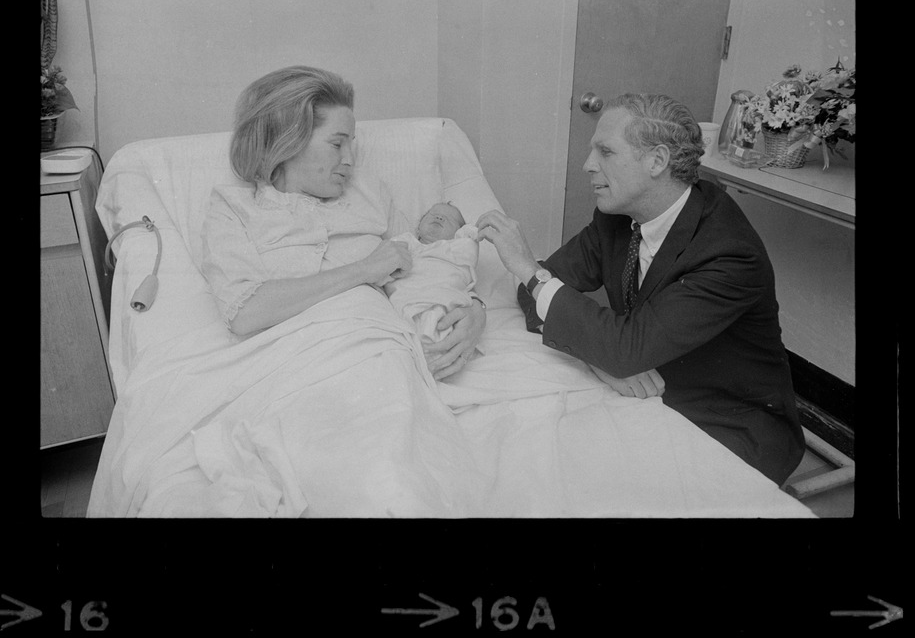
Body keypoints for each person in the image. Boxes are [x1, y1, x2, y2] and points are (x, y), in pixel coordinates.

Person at [476, 92, 805, 485]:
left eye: (606, 152)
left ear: (657, 161)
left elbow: (552, 293)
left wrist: (529, 269)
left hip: (730, 423)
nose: (587, 165)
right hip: (646, 391)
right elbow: (541, 295)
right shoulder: (617, 217)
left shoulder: (729, 254)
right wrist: (604, 362)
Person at [200, 65, 486, 379]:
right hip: (293, 365)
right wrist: (364, 270)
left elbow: (425, 264)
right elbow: (243, 312)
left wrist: (475, 311)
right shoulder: (233, 208)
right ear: (288, 141)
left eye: (352, 144)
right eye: (337, 144)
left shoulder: (369, 192)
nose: (349, 159)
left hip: (383, 356)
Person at [384, 203, 483, 372]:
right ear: (418, 227)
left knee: (440, 320)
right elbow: (386, 258)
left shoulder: (456, 249)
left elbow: (473, 238)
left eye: (450, 219)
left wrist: (468, 233)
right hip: (409, 296)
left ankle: (433, 355)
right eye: (432, 214)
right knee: (406, 322)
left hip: (442, 296)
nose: (439, 217)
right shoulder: (408, 242)